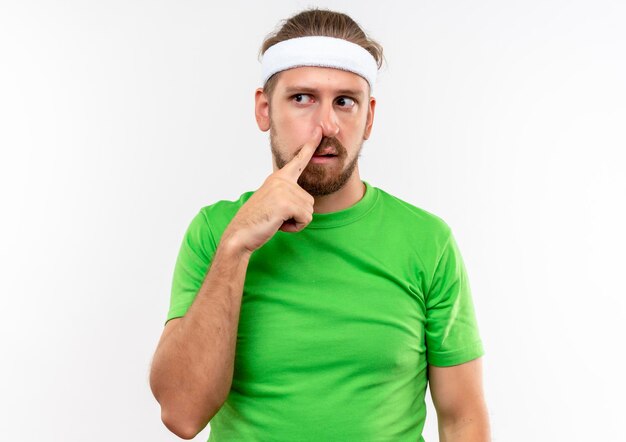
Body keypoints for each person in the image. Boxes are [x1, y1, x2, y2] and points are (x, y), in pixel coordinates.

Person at [149, 8, 490, 442]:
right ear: (263, 109)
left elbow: (463, 417)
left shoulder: (427, 240)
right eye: (302, 98)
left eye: (344, 101)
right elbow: (181, 414)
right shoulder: (216, 231)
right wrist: (236, 246)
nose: (326, 125)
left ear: (368, 117)